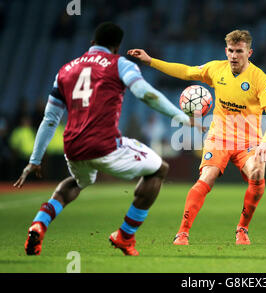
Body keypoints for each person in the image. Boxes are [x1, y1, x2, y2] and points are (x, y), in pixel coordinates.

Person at [14, 22, 193, 256]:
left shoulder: (65, 70)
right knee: (160, 169)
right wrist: (179, 115)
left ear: (91, 44)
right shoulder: (119, 64)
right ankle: (125, 236)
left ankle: (40, 222)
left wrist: (35, 159)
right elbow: (145, 94)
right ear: (117, 47)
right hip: (104, 144)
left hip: (74, 146)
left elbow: (50, 119)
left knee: (78, 182)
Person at [128, 29, 266, 245]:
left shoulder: (259, 79)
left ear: (250, 52)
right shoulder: (216, 69)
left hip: (248, 141)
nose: (234, 55)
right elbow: (186, 72)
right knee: (206, 177)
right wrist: (150, 61)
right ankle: (182, 232)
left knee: (257, 173)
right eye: (230, 50)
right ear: (225, 50)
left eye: (239, 51)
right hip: (219, 136)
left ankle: (242, 229)